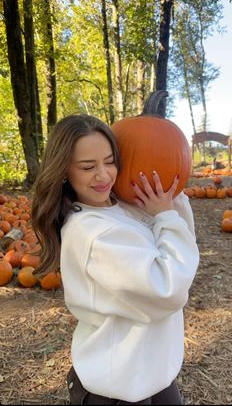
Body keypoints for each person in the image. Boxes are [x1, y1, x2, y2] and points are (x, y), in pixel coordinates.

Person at [31, 113, 199, 405]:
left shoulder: (118, 208)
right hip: (116, 386)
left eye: (110, 162)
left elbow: (176, 236)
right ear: (63, 171)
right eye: (88, 167)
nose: (103, 175)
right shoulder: (94, 234)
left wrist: (171, 196)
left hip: (151, 372)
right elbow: (166, 287)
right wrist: (166, 216)